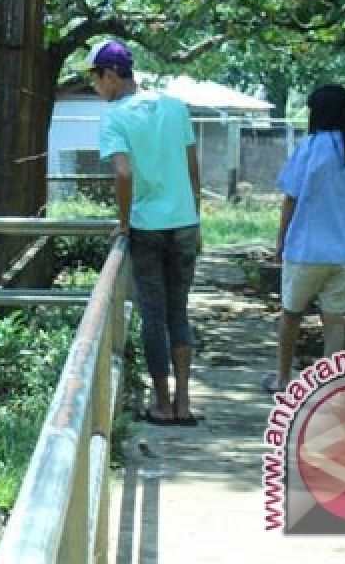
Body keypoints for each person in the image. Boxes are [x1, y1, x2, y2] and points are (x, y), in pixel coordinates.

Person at [86, 39, 202, 426]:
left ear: (112, 75)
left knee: (154, 316)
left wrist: (123, 222)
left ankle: (162, 405)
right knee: (178, 312)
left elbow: (123, 172)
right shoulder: (174, 106)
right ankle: (184, 403)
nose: (97, 89)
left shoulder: (115, 117)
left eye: (97, 80)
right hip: (185, 224)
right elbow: (192, 169)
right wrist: (195, 218)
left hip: (148, 228)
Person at [262, 84, 345, 394]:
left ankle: (283, 378)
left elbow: (290, 198)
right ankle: (329, 389)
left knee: (291, 315)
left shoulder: (311, 147)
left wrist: (280, 241)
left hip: (307, 250)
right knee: (334, 322)